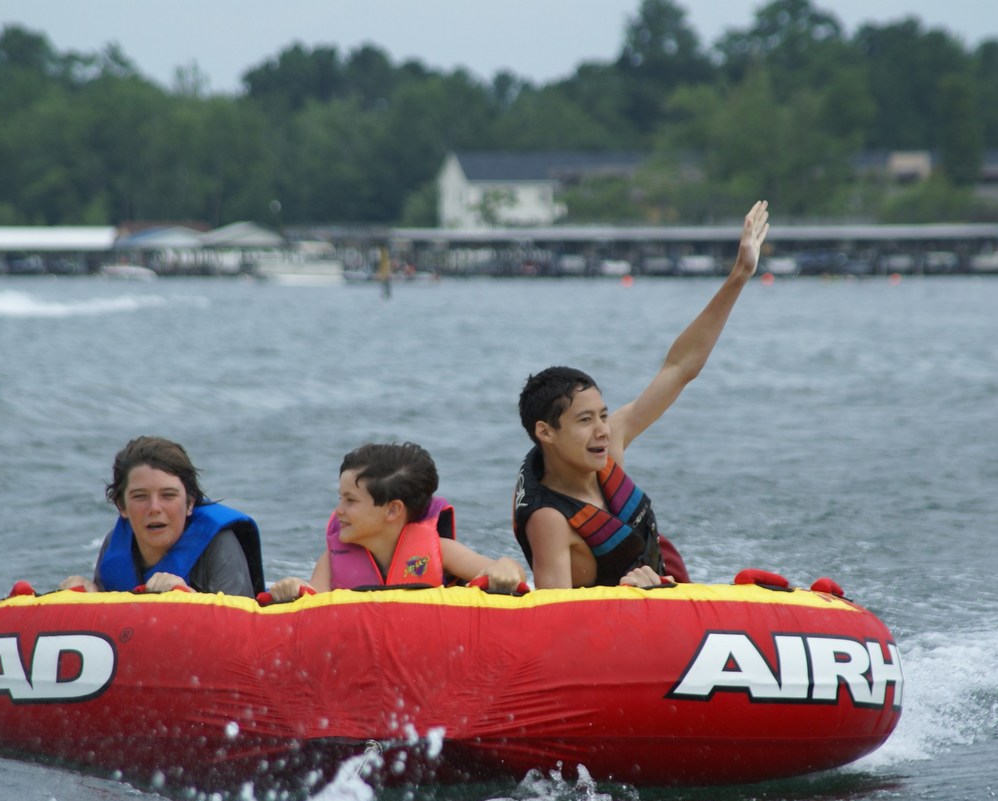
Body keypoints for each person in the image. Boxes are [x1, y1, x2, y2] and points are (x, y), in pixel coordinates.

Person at [514, 200, 770, 590]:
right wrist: (628, 595)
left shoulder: (608, 446)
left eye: (603, 415)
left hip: (666, 592)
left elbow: (679, 368)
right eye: (585, 420)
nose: (603, 430)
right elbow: (555, 615)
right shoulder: (548, 519)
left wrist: (739, 275)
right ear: (545, 432)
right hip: (628, 614)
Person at [267, 442, 526, 601]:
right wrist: (294, 589)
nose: (338, 511)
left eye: (350, 500)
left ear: (392, 510)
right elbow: (313, 604)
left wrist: (506, 565)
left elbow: (512, 573)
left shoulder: (442, 552)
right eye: (340, 498)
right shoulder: (331, 562)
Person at [59, 436, 263, 597]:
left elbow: (240, 627)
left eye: (168, 495)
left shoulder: (219, 544)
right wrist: (86, 596)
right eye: (140, 496)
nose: (154, 508)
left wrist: (186, 597)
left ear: (190, 503)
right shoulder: (114, 545)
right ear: (122, 506)